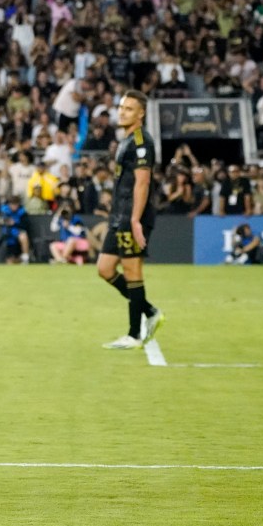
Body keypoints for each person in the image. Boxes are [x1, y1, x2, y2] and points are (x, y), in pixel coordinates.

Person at [96, 91, 164, 350]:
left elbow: (142, 182)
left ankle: (134, 334)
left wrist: (135, 220)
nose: (122, 112)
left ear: (141, 114)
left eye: (129, 109)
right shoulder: (125, 140)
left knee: (133, 272)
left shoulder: (141, 141)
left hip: (132, 216)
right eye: (122, 107)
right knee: (104, 268)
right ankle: (149, 310)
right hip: (119, 215)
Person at [0, 195, 31, 264]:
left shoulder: (22, 212)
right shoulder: (4, 211)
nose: (14, 206)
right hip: (8, 234)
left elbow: (26, 225)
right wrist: (6, 222)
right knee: (10, 261)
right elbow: (1, 222)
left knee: (23, 236)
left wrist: (14, 223)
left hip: (18, 232)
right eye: (12, 204)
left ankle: (25, 258)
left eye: (16, 204)